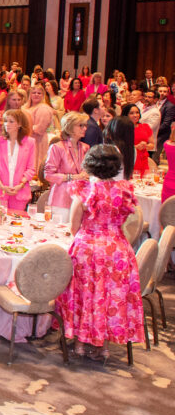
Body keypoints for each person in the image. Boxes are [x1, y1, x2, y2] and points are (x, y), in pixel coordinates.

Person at [55, 145, 143, 361]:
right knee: (108, 298)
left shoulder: (86, 190)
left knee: (85, 295)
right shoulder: (124, 190)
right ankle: (102, 346)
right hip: (118, 250)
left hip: (89, 248)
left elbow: (74, 226)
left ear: (90, 165)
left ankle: (80, 343)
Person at [44, 112, 90, 221]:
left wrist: (87, 175)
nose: (84, 128)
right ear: (69, 127)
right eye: (80, 125)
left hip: (80, 197)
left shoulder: (85, 148)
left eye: (85, 125)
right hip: (61, 198)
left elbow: (87, 171)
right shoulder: (57, 147)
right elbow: (48, 175)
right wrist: (73, 177)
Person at [0, 109, 36, 211]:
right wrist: (1, 186)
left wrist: (20, 185)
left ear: (19, 124)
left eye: (11, 121)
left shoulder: (30, 142)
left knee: (16, 223)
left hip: (20, 192)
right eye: (5, 121)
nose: (7, 124)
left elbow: (31, 169)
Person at [122, 104, 154, 177]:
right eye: (131, 113)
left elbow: (152, 145)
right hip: (129, 159)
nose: (135, 115)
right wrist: (136, 147)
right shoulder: (122, 129)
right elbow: (120, 146)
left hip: (143, 160)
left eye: (137, 112)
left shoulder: (145, 127)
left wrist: (146, 146)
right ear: (126, 115)